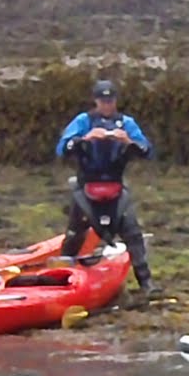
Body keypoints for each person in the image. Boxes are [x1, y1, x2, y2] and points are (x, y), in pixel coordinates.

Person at [55, 79, 155, 291]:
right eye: (102, 101)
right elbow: (62, 148)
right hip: (87, 186)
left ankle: (146, 282)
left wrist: (128, 141)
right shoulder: (84, 121)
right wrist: (86, 138)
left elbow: (147, 150)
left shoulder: (126, 123)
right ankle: (60, 277)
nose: (107, 105)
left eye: (110, 101)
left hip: (115, 186)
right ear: (96, 101)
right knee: (74, 234)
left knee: (132, 233)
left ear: (116, 101)